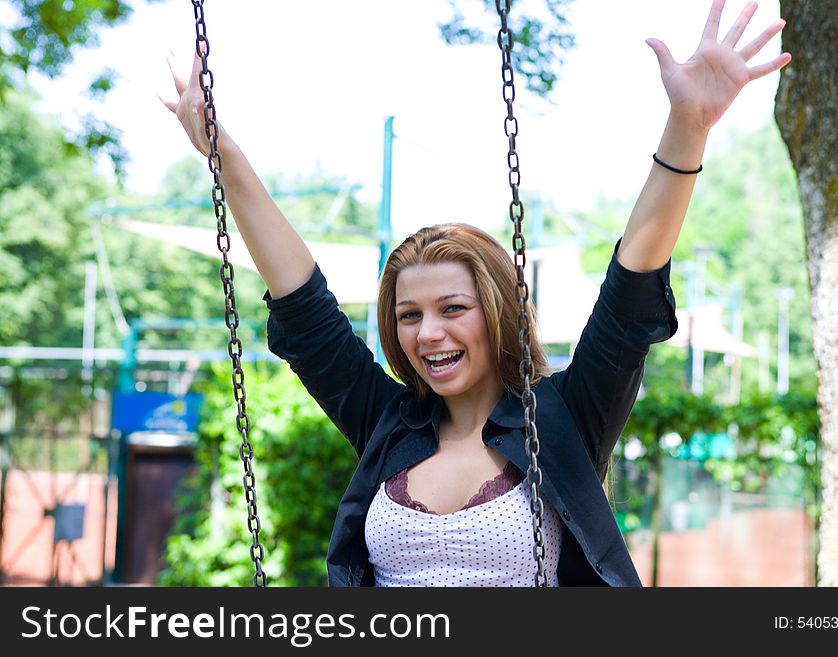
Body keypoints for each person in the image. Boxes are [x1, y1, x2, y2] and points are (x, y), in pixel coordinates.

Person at [162, 0, 790, 586]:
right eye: (409, 315)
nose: (428, 332)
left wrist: (688, 127)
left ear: (495, 314)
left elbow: (629, 295)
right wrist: (224, 155)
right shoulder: (387, 423)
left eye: (452, 308)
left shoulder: (566, 417)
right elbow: (305, 306)